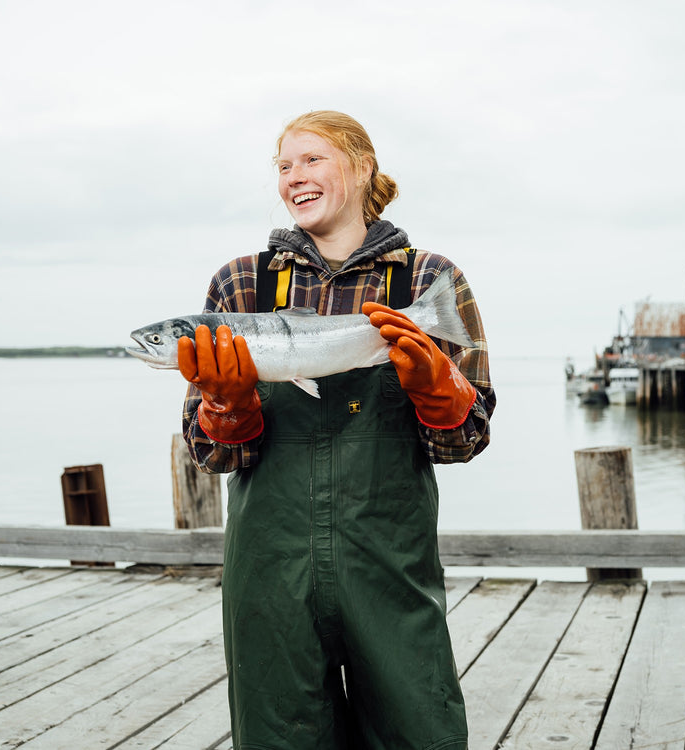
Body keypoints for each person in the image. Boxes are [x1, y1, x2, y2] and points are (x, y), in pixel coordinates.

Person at [179, 110, 495, 750]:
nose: (294, 176)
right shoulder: (241, 282)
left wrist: (442, 394)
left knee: (418, 731)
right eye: (283, 165)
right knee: (280, 736)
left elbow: (467, 440)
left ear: (361, 166)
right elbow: (210, 453)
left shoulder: (428, 279)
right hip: (270, 570)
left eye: (312, 159)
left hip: (389, 562)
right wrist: (226, 408)